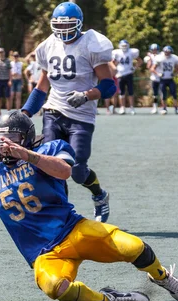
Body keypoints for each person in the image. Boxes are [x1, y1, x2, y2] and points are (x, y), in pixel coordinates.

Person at [0, 111, 178, 301]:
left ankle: (162, 276)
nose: (4, 143)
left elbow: (64, 171)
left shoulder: (50, 149)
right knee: (56, 288)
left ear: (26, 138)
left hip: (74, 230)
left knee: (134, 247)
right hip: (44, 254)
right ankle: (110, 300)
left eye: (11, 137)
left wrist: (28, 156)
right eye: (0, 138)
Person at [21, 2, 116, 222]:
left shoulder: (91, 44)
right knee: (50, 164)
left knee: (78, 170)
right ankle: (61, 215)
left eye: (69, 25)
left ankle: (99, 195)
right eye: (59, 25)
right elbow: (42, 86)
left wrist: (86, 95)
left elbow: (109, 85)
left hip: (81, 116)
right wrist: (25, 113)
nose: (63, 31)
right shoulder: (47, 46)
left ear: (79, 24)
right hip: (53, 111)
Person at [112, 40, 141, 115]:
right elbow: (112, 63)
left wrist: (135, 67)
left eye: (125, 46)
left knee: (130, 91)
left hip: (129, 73)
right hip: (120, 74)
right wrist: (115, 68)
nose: (124, 47)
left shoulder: (131, 52)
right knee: (121, 92)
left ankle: (131, 107)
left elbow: (139, 61)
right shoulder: (117, 53)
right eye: (123, 46)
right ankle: (122, 107)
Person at [152, 46, 178, 115]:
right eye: (166, 52)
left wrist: (174, 74)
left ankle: (176, 108)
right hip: (163, 80)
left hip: (170, 79)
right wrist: (158, 74)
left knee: (174, 94)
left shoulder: (174, 58)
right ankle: (164, 108)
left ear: (171, 52)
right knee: (163, 95)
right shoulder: (160, 58)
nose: (167, 53)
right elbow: (153, 68)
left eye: (168, 52)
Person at [0, 48, 12, 116]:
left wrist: (10, 80)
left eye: (2, 52)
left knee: (8, 96)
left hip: (6, 80)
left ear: (4, 52)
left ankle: (8, 112)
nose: (1, 53)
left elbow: (10, 71)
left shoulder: (7, 61)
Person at [144, 43, 161, 114]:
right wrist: (150, 58)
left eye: (155, 50)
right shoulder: (149, 57)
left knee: (163, 93)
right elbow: (148, 67)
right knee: (155, 94)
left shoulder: (161, 56)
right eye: (153, 50)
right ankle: (155, 107)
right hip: (154, 77)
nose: (154, 51)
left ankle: (164, 107)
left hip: (162, 77)